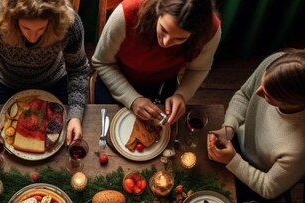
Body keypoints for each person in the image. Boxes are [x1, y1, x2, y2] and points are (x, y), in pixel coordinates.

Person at [207, 49, 305, 201]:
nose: (258, 93)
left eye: (268, 96)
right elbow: (244, 95)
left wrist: (232, 161)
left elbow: (268, 188)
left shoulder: (301, 146)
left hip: (255, 175)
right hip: (237, 143)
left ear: (293, 103)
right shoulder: (275, 63)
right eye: (262, 83)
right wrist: (229, 127)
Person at [0, 0, 89, 143]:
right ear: (12, 19)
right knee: (0, 141)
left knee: (60, 144)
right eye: (25, 28)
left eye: (41, 29)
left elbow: (78, 70)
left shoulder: (70, 23)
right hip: (6, 82)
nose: (32, 38)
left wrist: (75, 115)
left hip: (53, 81)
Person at [92, 0, 221, 124]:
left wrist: (182, 95)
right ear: (157, 10)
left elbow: (198, 69)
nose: (165, 43)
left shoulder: (210, 30)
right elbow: (102, 62)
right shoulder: (126, 13)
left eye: (180, 38)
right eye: (163, 30)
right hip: (114, 76)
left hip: (162, 83)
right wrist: (132, 99)